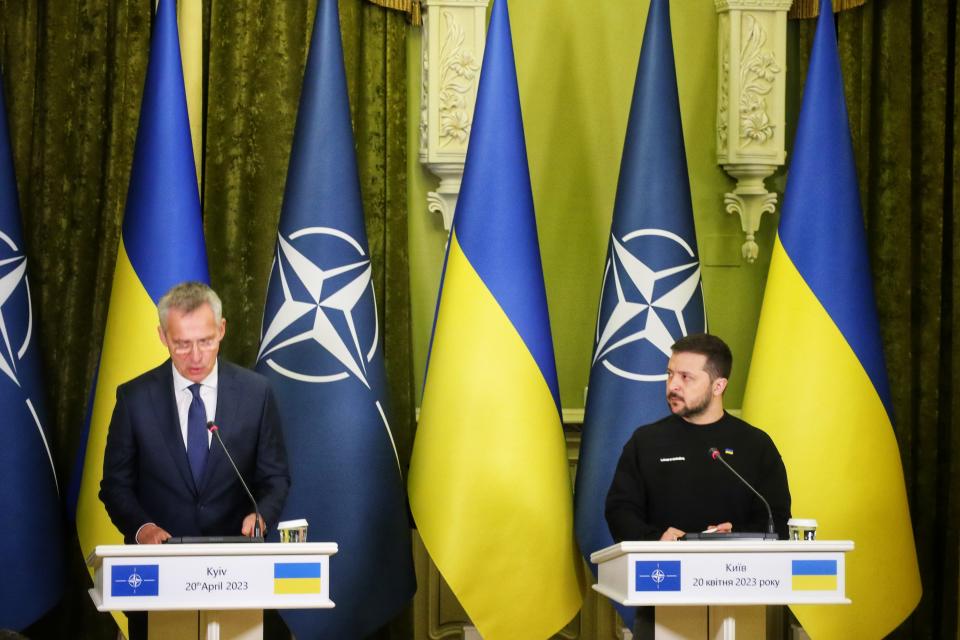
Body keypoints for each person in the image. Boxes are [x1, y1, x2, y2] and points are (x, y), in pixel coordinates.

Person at [99, 281, 290, 545]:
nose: (196, 356)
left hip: (235, 560)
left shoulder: (256, 393)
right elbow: (115, 485)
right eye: (182, 344)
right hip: (158, 561)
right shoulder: (134, 399)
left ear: (221, 329)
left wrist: (262, 516)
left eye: (206, 341)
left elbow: (275, 477)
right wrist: (142, 528)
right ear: (163, 336)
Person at [605, 333, 791, 542]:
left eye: (686, 377)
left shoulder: (756, 445)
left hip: (738, 570)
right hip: (663, 569)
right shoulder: (646, 441)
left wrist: (738, 534)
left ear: (718, 386)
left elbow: (777, 520)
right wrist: (657, 540)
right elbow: (620, 511)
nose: (673, 385)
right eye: (670, 374)